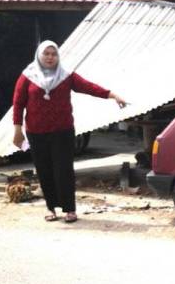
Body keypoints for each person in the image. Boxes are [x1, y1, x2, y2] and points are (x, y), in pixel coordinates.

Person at [12, 40, 127, 223]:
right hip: (36, 132)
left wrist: (112, 95)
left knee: (63, 170)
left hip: (62, 131)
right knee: (44, 170)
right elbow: (18, 104)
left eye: (53, 54)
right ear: (39, 55)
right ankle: (51, 208)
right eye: (46, 54)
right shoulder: (27, 76)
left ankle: (70, 210)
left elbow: (89, 87)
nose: (50, 57)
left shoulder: (66, 76)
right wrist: (17, 130)